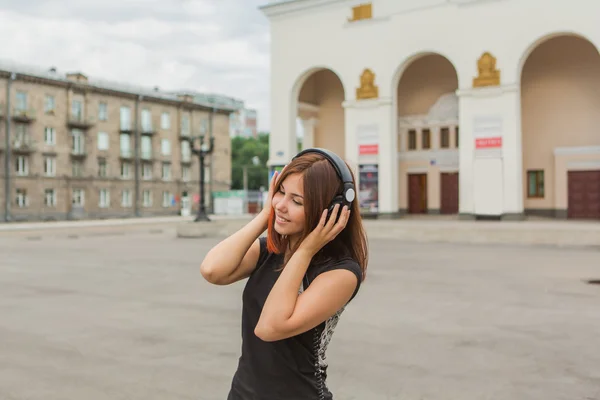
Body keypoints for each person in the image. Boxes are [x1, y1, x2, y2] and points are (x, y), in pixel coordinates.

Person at [200, 148, 369, 400]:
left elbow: (269, 327)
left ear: (331, 210)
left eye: (297, 201)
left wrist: (307, 249)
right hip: (243, 393)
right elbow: (213, 270)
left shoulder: (341, 272)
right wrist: (266, 214)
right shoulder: (271, 249)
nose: (281, 205)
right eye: (281, 192)